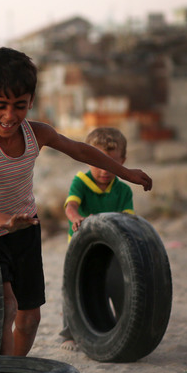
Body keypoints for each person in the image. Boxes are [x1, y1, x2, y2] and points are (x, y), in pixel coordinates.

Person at [0, 47, 152, 357]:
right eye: (0, 106)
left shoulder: (37, 133)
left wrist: (126, 173)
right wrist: (5, 221)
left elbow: (82, 151)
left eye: (19, 106)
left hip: (25, 231)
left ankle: (14, 368)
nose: (10, 116)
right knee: (7, 307)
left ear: (31, 101)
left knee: (29, 319)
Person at [59, 127, 135, 351]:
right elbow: (71, 207)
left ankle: (122, 328)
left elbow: (128, 220)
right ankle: (69, 334)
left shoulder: (123, 191)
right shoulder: (81, 182)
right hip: (82, 249)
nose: (104, 170)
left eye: (111, 163)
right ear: (87, 159)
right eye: (98, 162)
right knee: (73, 290)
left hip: (113, 250)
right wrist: (77, 218)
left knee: (119, 286)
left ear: (122, 161)